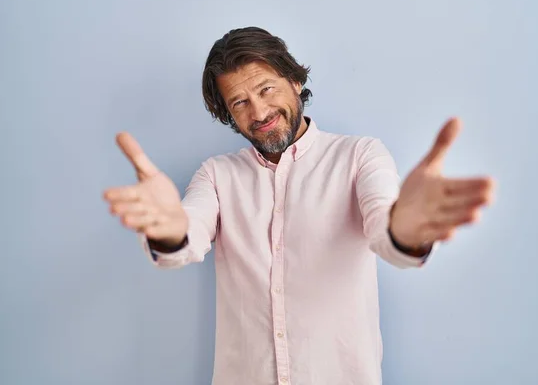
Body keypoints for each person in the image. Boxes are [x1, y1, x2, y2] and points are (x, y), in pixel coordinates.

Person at [103, 27, 495, 385]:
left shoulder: (359, 156)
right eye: (239, 102)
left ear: (294, 80)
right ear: (228, 114)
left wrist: (406, 231)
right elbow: (186, 237)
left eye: (266, 89)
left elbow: (387, 234)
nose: (258, 113)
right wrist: (170, 232)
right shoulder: (216, 176)